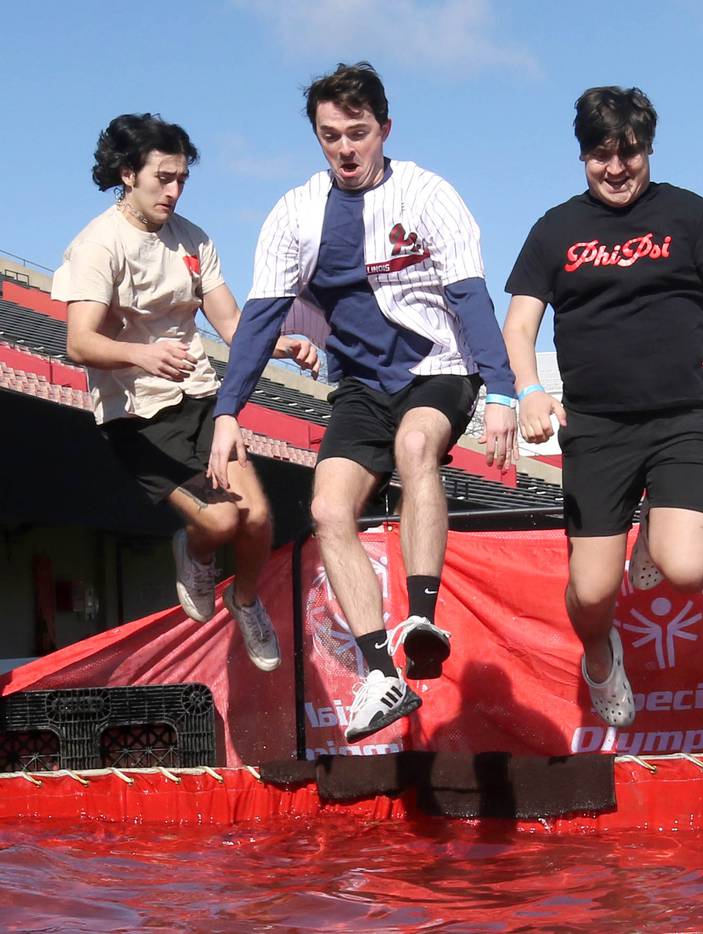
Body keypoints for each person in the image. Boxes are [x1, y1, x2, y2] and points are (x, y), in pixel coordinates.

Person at [208, 62, 518, 742]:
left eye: (357, 133)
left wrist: (501, 390)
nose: (345, 149)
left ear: (385, 129)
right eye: (329, 136)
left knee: (416, 447)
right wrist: (229, 409)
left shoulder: (429, 196)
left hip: (441, 368)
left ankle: (425, 617)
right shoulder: (296, 213)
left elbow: (470, 297)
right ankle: (382, 676)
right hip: (362, 387)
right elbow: (261, 317)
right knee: (325, 508)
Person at [503, 86, 703, 728]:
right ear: (583, 155)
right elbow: (518, 325)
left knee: (688, 567)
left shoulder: (690, 214)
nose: (615, 169)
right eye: (601, 155)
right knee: (591, 593)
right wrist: (530, 389)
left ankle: (653, 530)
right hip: (597, 428)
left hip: (685, 415)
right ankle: (600, 655)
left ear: (648, 149)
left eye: (630, 154)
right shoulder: (554, 229)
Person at [53, 113, 319, 671]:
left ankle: (244, 601)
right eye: (163, 178)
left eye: (181, 179)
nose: (174, 191)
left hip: (199, 395)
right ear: (128, 173)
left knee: (258, 519)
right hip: (135, 414)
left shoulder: (193, 239)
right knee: (221, 522)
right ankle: (192, 547)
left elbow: (230, 325)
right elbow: (79, 343)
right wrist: (141, 354)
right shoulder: (99, 245)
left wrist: (281, 341)